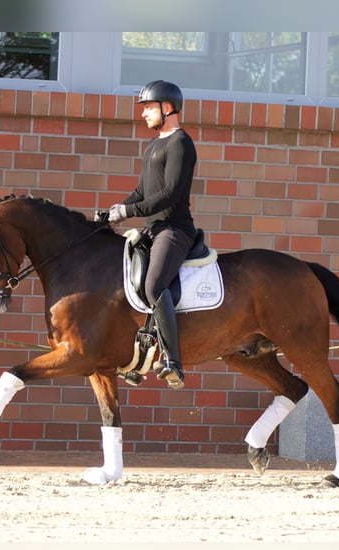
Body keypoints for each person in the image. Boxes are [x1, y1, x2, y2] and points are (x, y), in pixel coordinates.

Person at [107, 80, 197, 389]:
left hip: (174, 230)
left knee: (154, 284)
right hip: (153, 229)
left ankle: (173, 361)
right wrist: (116, 209)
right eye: (144, 108)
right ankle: (139, 357)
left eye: (149, 108)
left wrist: (129, 213)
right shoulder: (154, 144)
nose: (144, 114)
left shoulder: (181, 144)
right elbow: (143, 191)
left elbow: (169, 194)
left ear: (167, 108)